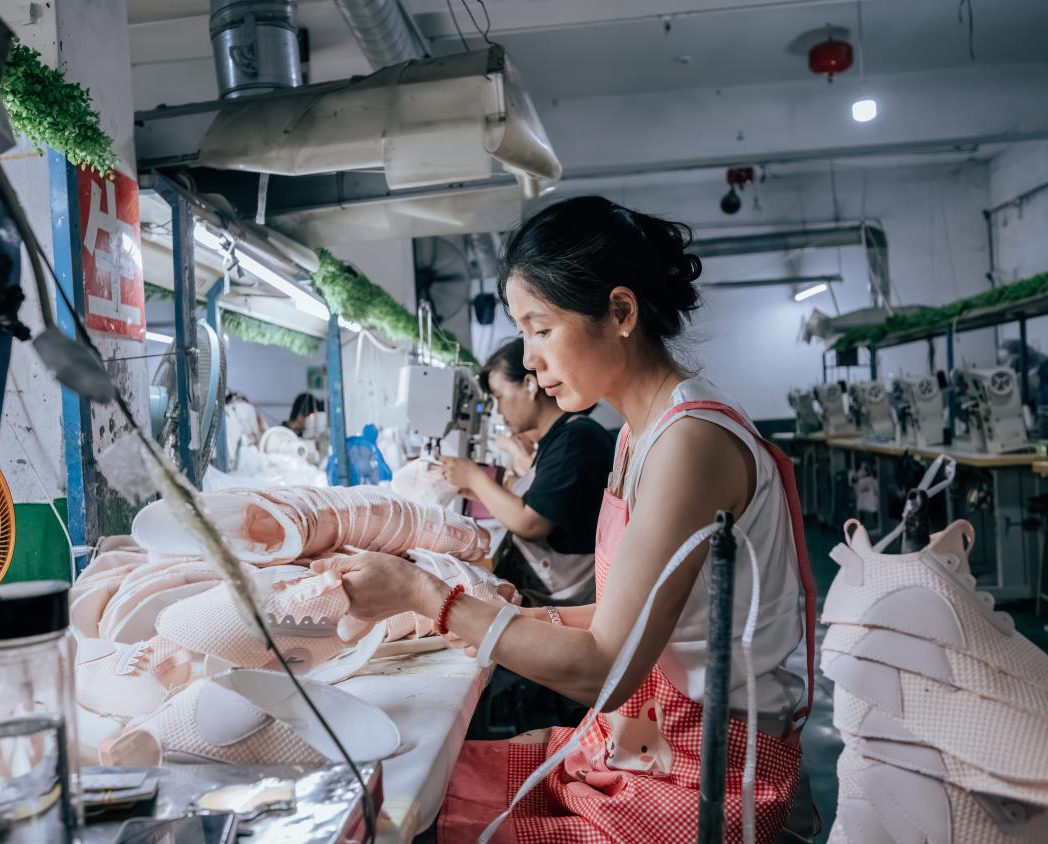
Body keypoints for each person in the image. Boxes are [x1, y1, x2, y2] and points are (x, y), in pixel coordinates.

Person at [312, 196, 815, 842]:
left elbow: (604, 666)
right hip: (652, 733)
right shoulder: (641, 436)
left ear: (621, 312)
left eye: (540, 327)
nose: (527, 358)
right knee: (429, 788)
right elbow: (621, 619)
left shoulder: (689, 445)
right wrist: (503, 616)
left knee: (438, 817)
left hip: (704, 770)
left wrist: (429, 597)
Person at [438, 338, 613, 607]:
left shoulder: (576, 438)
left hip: (562, 600)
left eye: (499, 397)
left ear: (530, 385)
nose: (498, 411)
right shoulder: (559, 437)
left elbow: (530, 522)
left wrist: (474, 476)